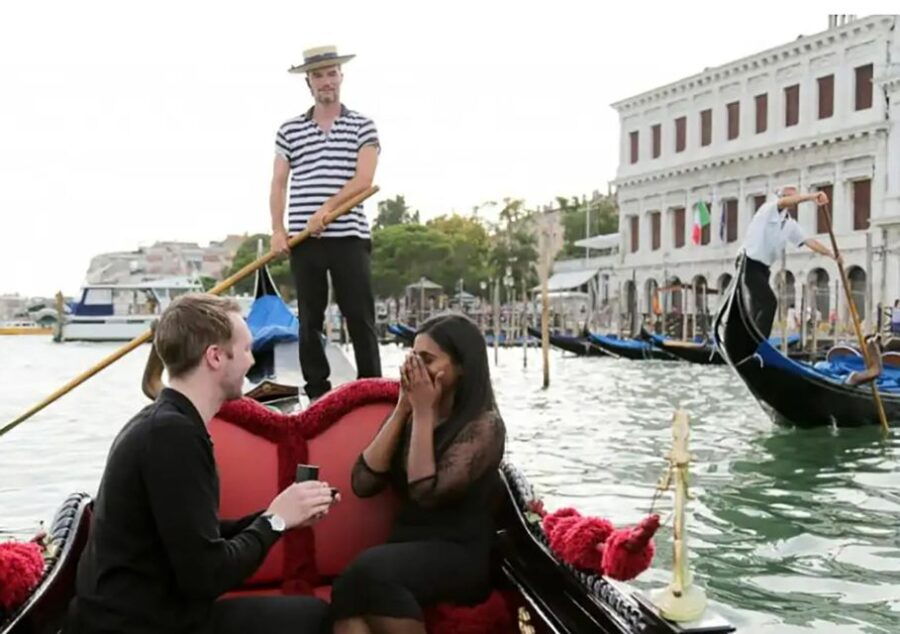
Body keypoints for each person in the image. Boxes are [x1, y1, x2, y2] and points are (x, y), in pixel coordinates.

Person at [70, 294, 335, 634]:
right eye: (245, 351)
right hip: (140, 624)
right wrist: (276, 521)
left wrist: (288, 512)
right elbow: (207, 575)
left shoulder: (162, 423)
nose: (251, 361)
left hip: (132, 614)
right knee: (312, 617)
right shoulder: (172, 436)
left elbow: (192, 535)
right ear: (215, 357)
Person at [330, 313, 506, 634]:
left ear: (462, 367)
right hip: (407, 545)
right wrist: (403, 408)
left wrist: (424, 412)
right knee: (348, 590)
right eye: (413, 359)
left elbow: (425, 492)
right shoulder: (411, 414)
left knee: (367, 572)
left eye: (428, 360)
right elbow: (363, 482)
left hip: (459, 554)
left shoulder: (484, 426)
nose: (417, 369)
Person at [270, 45, 381, 401]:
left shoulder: (362, 125)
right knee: (309, 320)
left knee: (359, 316)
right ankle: (317, 394)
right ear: (309, 82)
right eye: (318, 75)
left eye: (331, 72)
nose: (326, 80)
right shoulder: (289, 130)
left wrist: (328, 208)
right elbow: (278, 182)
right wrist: (277, 230)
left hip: (349, 236)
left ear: (341, 76)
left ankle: (371, 391)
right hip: (305, 240)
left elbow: (364, 180)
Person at [740, 186, 840, 337]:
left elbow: (809, 241)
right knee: (769, 303)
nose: (795, 201)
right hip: (748, 263)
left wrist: (831, 254)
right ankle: (758, 343)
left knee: (758, 306)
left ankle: (749, 341)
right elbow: (784, 202)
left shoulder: (790, 224)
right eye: (792, 198)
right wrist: (812, 196)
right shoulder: (768, 210)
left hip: (763, 268)